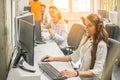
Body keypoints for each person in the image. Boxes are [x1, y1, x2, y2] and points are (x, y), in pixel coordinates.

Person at [41, 14, 108, 80]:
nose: (86, 28)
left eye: (90, 25)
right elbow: (74, 56)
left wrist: (76, 73)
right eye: (85, 25)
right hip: (80, 75)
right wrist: (53, 58)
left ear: (98, 27)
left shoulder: (101, 45)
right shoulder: (86, 38)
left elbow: (98, 70)